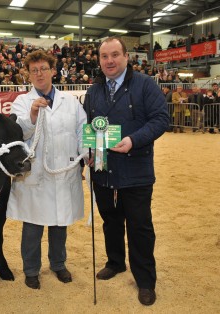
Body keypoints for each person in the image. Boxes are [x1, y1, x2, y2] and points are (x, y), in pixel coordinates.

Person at [83, 37, 169, 306]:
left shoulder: (145, 84)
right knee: (110, 220)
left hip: (136, 168)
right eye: (104, 56)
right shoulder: (94, 90)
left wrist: (134, 139)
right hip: (102, 167)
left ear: (126, 57)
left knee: (139, 225)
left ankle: (145, 280)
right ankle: (116, 262)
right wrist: (87, 150)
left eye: (115, 55)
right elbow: (87, 126)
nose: (109, 61)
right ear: (99, 60)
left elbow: (161, 119)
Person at [7, 49, 87, 290]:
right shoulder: (21, 101)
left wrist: (88, 154)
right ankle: (31, 270)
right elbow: (17, 133)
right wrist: (32, 113)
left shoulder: (71, 102)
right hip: (36, 175)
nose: (39, 73)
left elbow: (82, 129)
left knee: (59, 223)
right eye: (34, 70)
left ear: (53, 70)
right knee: (32, 225)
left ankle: (58, 264)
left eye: (43, 68)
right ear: (28, 75)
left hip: (63, 172)